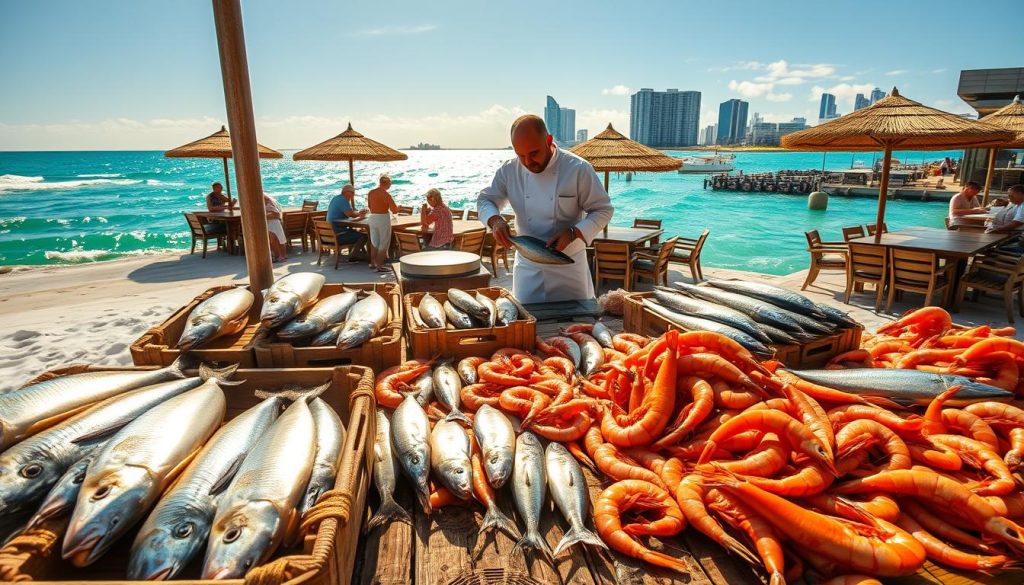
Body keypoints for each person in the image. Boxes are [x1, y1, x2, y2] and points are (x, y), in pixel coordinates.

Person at [477, 115, 613, 304]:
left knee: (578, 324)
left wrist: (575, 232)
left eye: (533, 153)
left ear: (549, 140)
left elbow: (603, 210)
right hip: (528, 266)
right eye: (520, 155)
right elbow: (486, 200)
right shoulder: (509, 171)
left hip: (568, 265)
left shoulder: (578, 168)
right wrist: (495, 221)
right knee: (528, 323)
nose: (527, 161)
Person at [326, 184, 368, 261]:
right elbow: (350, 214)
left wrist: (358, 213)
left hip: (329, 235)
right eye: (352, 193)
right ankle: (354, 256)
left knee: (355, 232)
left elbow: (349, 213)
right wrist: (361, 215)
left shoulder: (336, 198)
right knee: (364, 236)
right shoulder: (343, 200)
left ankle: (355, 253)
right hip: (338, 235)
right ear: (346, 192)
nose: (353, 195)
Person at [366, 175, 399, 272]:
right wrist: (399, 208)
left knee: (374, 241)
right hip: (382, 218)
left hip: (372, 217)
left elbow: (370, 206)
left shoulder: (371, 193)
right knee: (384, 242)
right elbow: (395, 210)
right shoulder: (386, 195)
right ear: (387, 184)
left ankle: (373, 263)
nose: (390, 185)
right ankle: (379, 266)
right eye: (390, 183)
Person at [263, 194, 287, 262]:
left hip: (273, 223)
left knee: (274, 238)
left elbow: (276, 214)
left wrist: (263, 215)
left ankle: (279, 256)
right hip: (274, 223)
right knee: (278, 238)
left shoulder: (268, 203)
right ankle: (281, 255)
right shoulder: (270, 201)